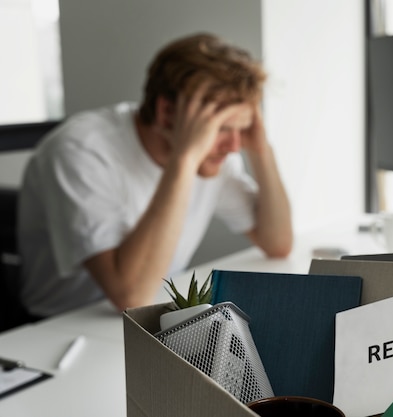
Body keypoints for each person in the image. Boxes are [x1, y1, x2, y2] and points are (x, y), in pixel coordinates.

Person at [17, 33, 293, 319]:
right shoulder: (79, 151)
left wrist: (261, 150)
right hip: (57, 328)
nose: (235, 146)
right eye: (222, 128)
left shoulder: (216, 155)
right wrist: (184, 159)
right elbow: (130, 294)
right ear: (166, 113)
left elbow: (278, 242)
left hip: (151, 315)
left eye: (243, 128)